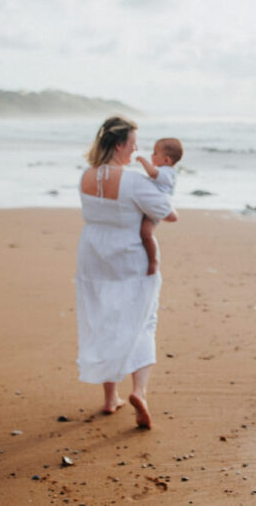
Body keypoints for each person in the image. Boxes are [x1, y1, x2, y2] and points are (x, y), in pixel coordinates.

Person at [76, 116, 173, 429]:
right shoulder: (132, 180)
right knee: (143, 320)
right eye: (133, 145)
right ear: (119, 145)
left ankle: (109, 398)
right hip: (130, 255)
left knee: (104, 318)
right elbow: (167, 213)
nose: (136, 150)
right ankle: (139, 392)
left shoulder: (85, 176)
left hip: (92, 254)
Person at [136, 138, 183, 276]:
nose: (152, 155)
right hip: (152, 206)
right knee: (141, 231)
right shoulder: (164, 171)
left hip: (157, 208)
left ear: (167, 160)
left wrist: (143, 161)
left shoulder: (167, 172)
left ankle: (153, 260)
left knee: (146, 233)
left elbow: (152, 173)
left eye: (155, 153)